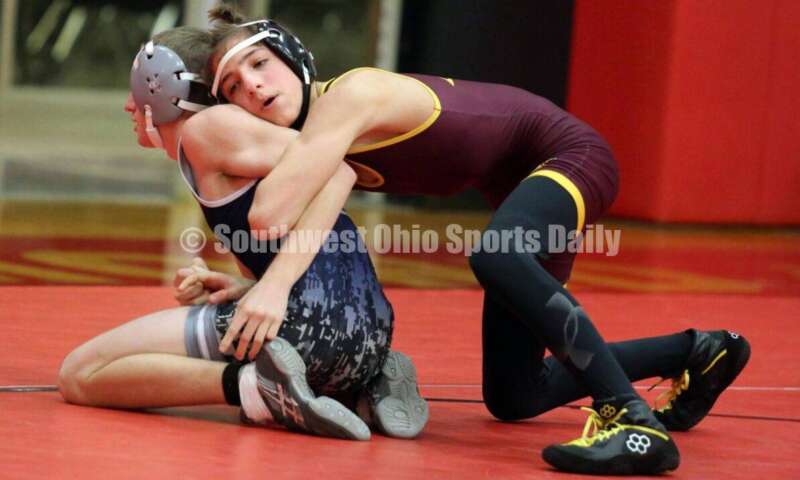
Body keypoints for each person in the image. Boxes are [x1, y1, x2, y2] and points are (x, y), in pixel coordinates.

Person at [186, 5, 752, 475]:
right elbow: (320, 234)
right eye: (232, 87)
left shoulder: (348, 99)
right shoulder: (318, 141)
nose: (253, 87)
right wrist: (251, 282)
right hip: (518, 190)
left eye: (259, 64)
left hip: (569, 155)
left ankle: (630, 419)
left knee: (498, 254)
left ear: (294, 55)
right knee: (514, 394)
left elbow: (270, 215)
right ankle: (698, 350)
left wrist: (193, 137)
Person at [57, 26, 430, 442]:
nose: (129, 105)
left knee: (80, 374)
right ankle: (362, 386)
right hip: (367, 333)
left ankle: (256, 389)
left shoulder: (209, 129)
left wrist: (272, 286)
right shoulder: (217, 142)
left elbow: (339, 170)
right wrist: (244, 286)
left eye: (139, 88)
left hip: (305, 327)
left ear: (164, 87)